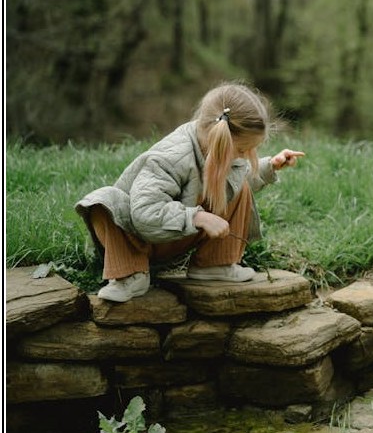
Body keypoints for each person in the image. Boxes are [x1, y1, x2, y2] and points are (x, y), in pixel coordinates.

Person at [75, 81, 305, 303]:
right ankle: (129, 274)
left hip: (177, 236)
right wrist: (197, 217)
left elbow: (237, 179)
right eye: (243, 149)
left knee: (240, 185)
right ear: (220, 139)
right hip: (137, 237)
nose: (245, 156)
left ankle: (215, 263)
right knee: (102, 201)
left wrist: (270, 166)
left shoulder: (217, 151)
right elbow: (144, 213)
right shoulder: (173, 156)